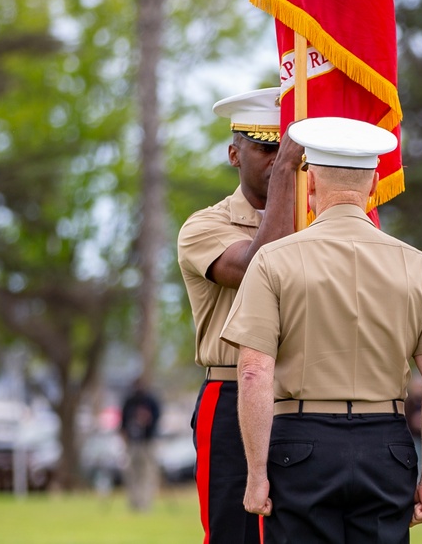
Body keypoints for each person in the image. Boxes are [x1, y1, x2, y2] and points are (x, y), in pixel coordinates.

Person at [221, 116, 422, 544]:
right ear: (373, 187)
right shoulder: (419, 265)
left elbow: (253, 373)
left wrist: (257, 473)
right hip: (386, 444)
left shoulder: (273, 261)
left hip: (301, 443)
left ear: (310, 183)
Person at [176, 87, 303, 543]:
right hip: (232, 394)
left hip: (303, 400)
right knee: (235, 532)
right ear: (235, 152)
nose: (276, 160)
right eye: (266, 148)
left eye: (285, 151)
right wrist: (290, 171)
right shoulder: (204, 226)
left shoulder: (317, 223)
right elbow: (255, 267)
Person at [119, 378, 162, 512]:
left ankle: (145, 503)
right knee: (132, 473)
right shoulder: (129, 401)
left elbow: (157, 419)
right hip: (132, 443)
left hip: (147, 442)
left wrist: (148, 422)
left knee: (147, 473)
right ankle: (134, 501)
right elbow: (123, 421)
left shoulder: (150, 401)